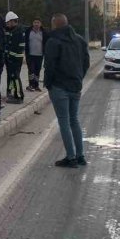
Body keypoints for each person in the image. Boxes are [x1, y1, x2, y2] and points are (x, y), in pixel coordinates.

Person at [43, 13, 90, 168]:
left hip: (59, 87)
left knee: (64, 121)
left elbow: (50, 65)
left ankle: (70, 158)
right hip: (75, 86)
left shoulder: (53, 41)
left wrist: (48, 84)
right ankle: (80, 155)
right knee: (74, 120)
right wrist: (78, 77)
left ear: (55, 24)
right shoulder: (80, 40)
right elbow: (86, 62)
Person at [3, 11, 26, 103]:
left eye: (8, 23)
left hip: (14, 58)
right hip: (14, 57)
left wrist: (8, 54)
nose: (7, 25)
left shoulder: (17, 31)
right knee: (12, 76)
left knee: (15, 77)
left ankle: (19, 96)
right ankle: (13, 94)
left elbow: (13, 46)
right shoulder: (16, 30)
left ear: (12, 21)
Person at [25, 19, 48, 92]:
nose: (36, 24)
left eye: (38, 22)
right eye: (35, 22)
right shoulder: (28, 31)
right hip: (30, 54)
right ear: (32, 23)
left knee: (37, 71)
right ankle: (31, 85)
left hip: (40, 55)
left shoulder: (43, 32)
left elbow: (46, 42)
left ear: (40, 24)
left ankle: (36, 85)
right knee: (31, 70)